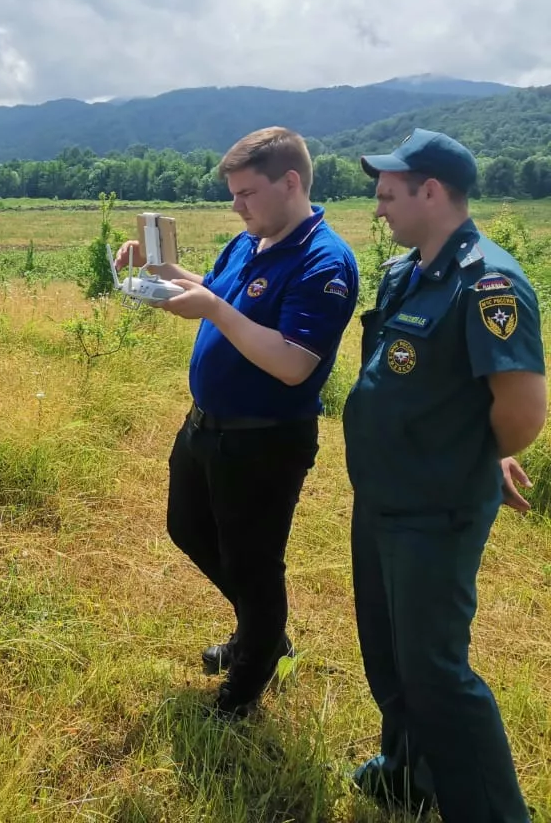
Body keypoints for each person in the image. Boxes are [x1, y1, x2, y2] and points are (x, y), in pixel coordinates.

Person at [116, 126, 359, 719]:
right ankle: (261, 633)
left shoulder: (324, 260)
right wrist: (163, 272)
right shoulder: (250, 240)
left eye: (247, 192)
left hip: (264, 442)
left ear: (291, 182)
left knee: (253, 563)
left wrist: (215, 310)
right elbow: (218, 291)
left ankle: (245, 685)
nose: (236, 205)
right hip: (206, 427)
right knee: (188, 529)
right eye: (233, 193)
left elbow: (292, 364)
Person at [342, 128, 546, 821]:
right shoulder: (407, 272)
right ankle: (408, 774)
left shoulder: (489, 282)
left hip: (435, 505)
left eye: (388, 193)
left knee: (437, 674)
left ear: (431, 191)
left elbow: (521, 410)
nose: (378, 208)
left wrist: (476, 454)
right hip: (383, 496)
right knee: (391, 654)